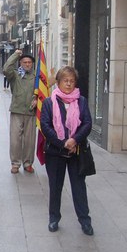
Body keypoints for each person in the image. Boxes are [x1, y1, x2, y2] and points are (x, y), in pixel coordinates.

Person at [40, 66, 94, 236]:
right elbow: (46, 126)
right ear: (58, 82)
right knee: (55, 187)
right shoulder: (50, 102)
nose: (69, 84)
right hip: (55, 152)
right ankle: (54, 218)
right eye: (65, 81)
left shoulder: (81, 101)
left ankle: (85, 221)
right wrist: (62, 142)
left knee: (79, 187)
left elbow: (87, 123)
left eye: (72, 81)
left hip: (76, 152)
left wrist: (74, 140)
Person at [3, 50, 38, 174]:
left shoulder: (37, 76)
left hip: (30, 112)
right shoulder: (15, 75)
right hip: (17, 110)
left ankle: (28, 163)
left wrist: (37, 100)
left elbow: (41, 91)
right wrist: (15, 55)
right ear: (20, 63)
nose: (27, 64)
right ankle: (15, 163)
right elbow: (6, 69)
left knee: (29, 140)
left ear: (32, 64)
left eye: (29, 62)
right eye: (24, 62)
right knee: (15, 139)